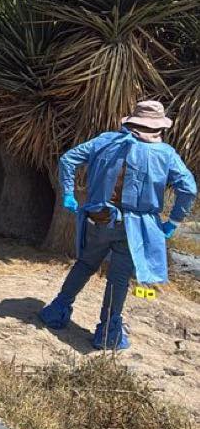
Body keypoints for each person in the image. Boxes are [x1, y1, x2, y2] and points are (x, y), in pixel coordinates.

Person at [39, 101, 196, 350]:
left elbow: (68, 160)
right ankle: (107, 334)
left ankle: (57, 311)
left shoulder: (106, 141)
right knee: (119, 278)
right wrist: (173, 221)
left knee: (85, 264)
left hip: (99, 218)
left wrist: (68, 193)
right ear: (158, 128)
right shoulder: (166, 154)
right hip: (137, 228)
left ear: (131, 121)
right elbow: (188, 189)